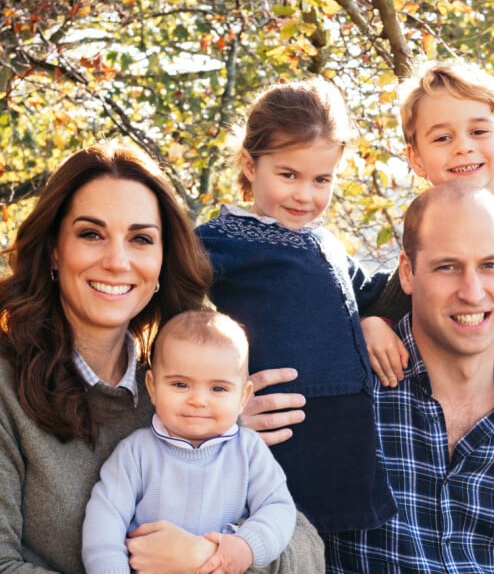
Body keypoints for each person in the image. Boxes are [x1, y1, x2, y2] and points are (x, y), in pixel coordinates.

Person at [0, 140, 324, 573]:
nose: (118, 261)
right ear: (55, 250)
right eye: (91, 234)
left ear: (161, 261)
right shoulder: (7, 389)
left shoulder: (189, 387)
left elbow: (308, 553)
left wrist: (209, 559)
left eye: (141, 239)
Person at [325, 182, 494, 572]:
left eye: (490, 265)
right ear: (408, 273)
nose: (473, 292)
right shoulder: (344, 394)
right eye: (448, 267)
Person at [195, 78, 401, 534]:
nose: (305, 195)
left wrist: (376, 317)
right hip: (282, 439)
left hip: (347, 446)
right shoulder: (223, 239)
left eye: (321, 180)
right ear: (250, 165)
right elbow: (166, 304)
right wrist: (212, 396)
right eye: (288, 175)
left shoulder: (325, 241)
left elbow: (372, 291)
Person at [362, 59, 494, 433]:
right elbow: (392, 306)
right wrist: (372, 325)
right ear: (415, 157)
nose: (463, 148)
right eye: (443, 138)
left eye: (479, 131)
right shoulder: (431, 242)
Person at [82, 310, 296, 574]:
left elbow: (278, 508)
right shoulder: (135, 453)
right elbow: (104, 524)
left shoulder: (249, 451)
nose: (198, 400)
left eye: (218, 388)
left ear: (244, 396)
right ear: (152, 387)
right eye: (181, 384)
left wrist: (246, 546)